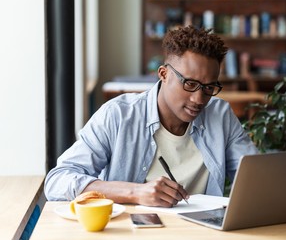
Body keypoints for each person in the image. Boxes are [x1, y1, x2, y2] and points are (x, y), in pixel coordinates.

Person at [45, 25, 258, 207]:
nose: (198, 99)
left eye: (209, 87)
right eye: (190, 84)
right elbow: (57, 181)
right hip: (131, 236)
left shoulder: (220, 115)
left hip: (201, 236)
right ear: (164, 74)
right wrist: (135, 193)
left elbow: (255, 178)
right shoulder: (118, 115)